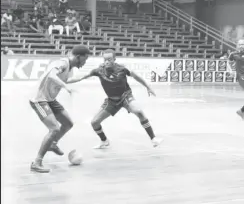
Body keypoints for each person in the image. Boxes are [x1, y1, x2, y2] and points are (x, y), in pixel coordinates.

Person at [67, 49, 163, 149]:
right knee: (94, 122)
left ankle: (153, 139)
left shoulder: (122, 69)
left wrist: (148, 87)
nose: (107, 62)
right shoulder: (99, 70)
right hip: (111, 101)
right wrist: (65, 81)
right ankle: (104, 141)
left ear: (114, 59)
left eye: (109, 59)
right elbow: (80, 77)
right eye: (105, 59)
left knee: (139, 111)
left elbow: (136, 76)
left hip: (125, 96)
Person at [29, 45, 91, 173]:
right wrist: (65, 87)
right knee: (54, 129)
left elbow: (66, 80)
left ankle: (53, 143)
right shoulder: (62, 63)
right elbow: (52, 75)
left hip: (50, 100)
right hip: (39, 100)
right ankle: (37, 162)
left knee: (68, 123)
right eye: (84, 60)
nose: (84, 63)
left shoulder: (70, 69)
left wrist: (85, 77)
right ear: (78, 57)